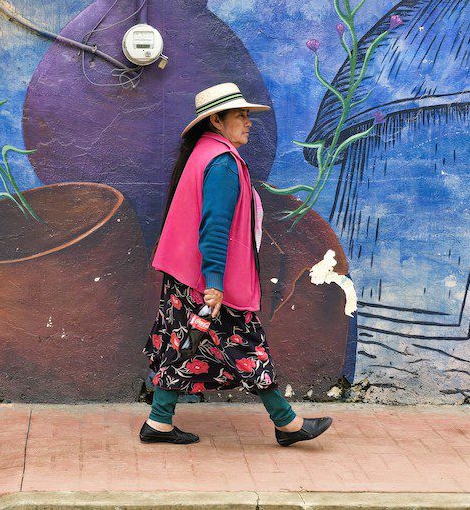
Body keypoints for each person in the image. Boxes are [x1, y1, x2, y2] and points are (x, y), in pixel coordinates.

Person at [139, 82, 333, 447]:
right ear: (216, 119)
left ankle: (159, 422)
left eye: (248, 115)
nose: (248, 122)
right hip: (208, 281)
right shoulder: (222, 164)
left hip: (187, 276)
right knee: (245, 347)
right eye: (241, 115)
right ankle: (287, 423)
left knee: (183, 343)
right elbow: (215, 225)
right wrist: (214, 281)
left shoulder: (203, 153)